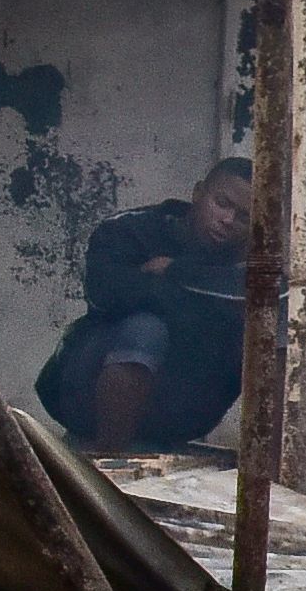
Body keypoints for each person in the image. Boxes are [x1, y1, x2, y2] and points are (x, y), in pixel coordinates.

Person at [37, 156, 252, 450]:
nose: (227, 221)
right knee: (146, 329)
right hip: (82, 396)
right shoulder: (131, 231)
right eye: (222, 203)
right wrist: (205, 305)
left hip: (180, 414)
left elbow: (269, 296)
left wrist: (176, 272)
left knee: (258, 337)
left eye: (243, 217)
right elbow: (106, 292)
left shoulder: (248, 259)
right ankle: (111, 459)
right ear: (198, 193)